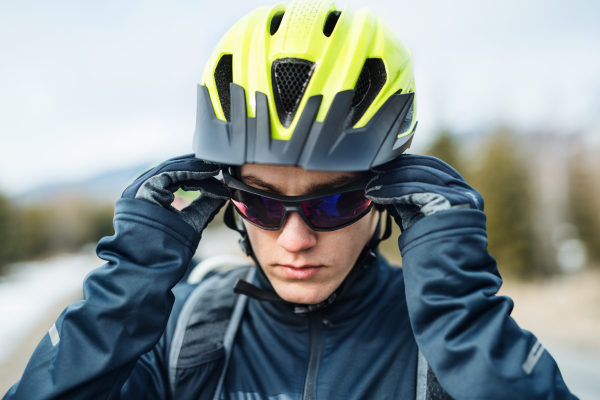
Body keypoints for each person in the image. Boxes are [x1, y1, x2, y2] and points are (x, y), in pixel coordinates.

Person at [4, 1, 577, 399]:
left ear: (387, 196)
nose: (296, 240)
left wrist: (464, 322)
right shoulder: (183, 331)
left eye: (333, 205)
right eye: (262, 205)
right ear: (227, 198)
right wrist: (125, 293)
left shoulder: (447, 342)